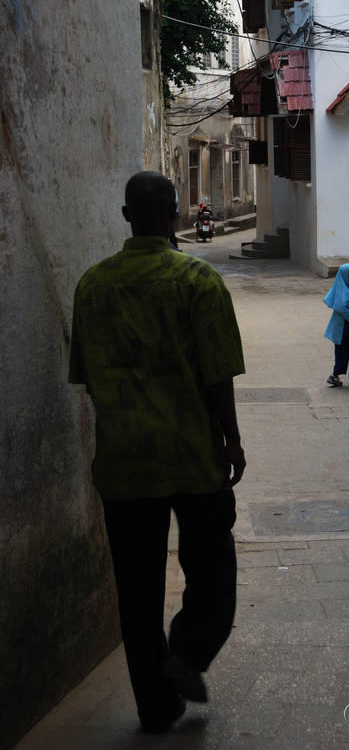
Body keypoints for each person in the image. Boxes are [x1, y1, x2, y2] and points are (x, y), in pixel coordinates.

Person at [69, 171, 246, 734]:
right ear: (174, 214)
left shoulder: (92, 286)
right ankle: (187, 653)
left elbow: (88, 375)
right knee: (213, 570)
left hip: (124, 464)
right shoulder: (197, 281)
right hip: (192, 457)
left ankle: (155, 706)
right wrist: (232, 439)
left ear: (126, 216)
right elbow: (218, 374)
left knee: (137, 588)